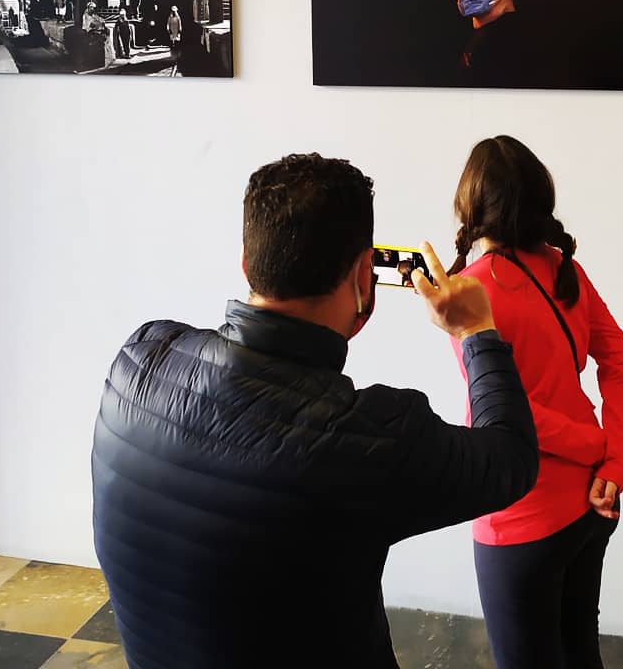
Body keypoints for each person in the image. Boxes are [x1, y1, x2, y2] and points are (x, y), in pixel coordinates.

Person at [91, 152, 538, 669]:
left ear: (246, 263)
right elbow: (512, 458)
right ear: (364, 276)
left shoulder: (140, 357)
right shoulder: (372, 437)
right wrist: (476, 331)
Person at [445, 135, 623, 669]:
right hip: (594, 500)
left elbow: (502, 413)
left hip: (522, 517)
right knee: (580, 652)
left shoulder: (469, 293)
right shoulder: (563, 267)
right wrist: (615, 460)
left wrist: (594, 446)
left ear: (470, 205)